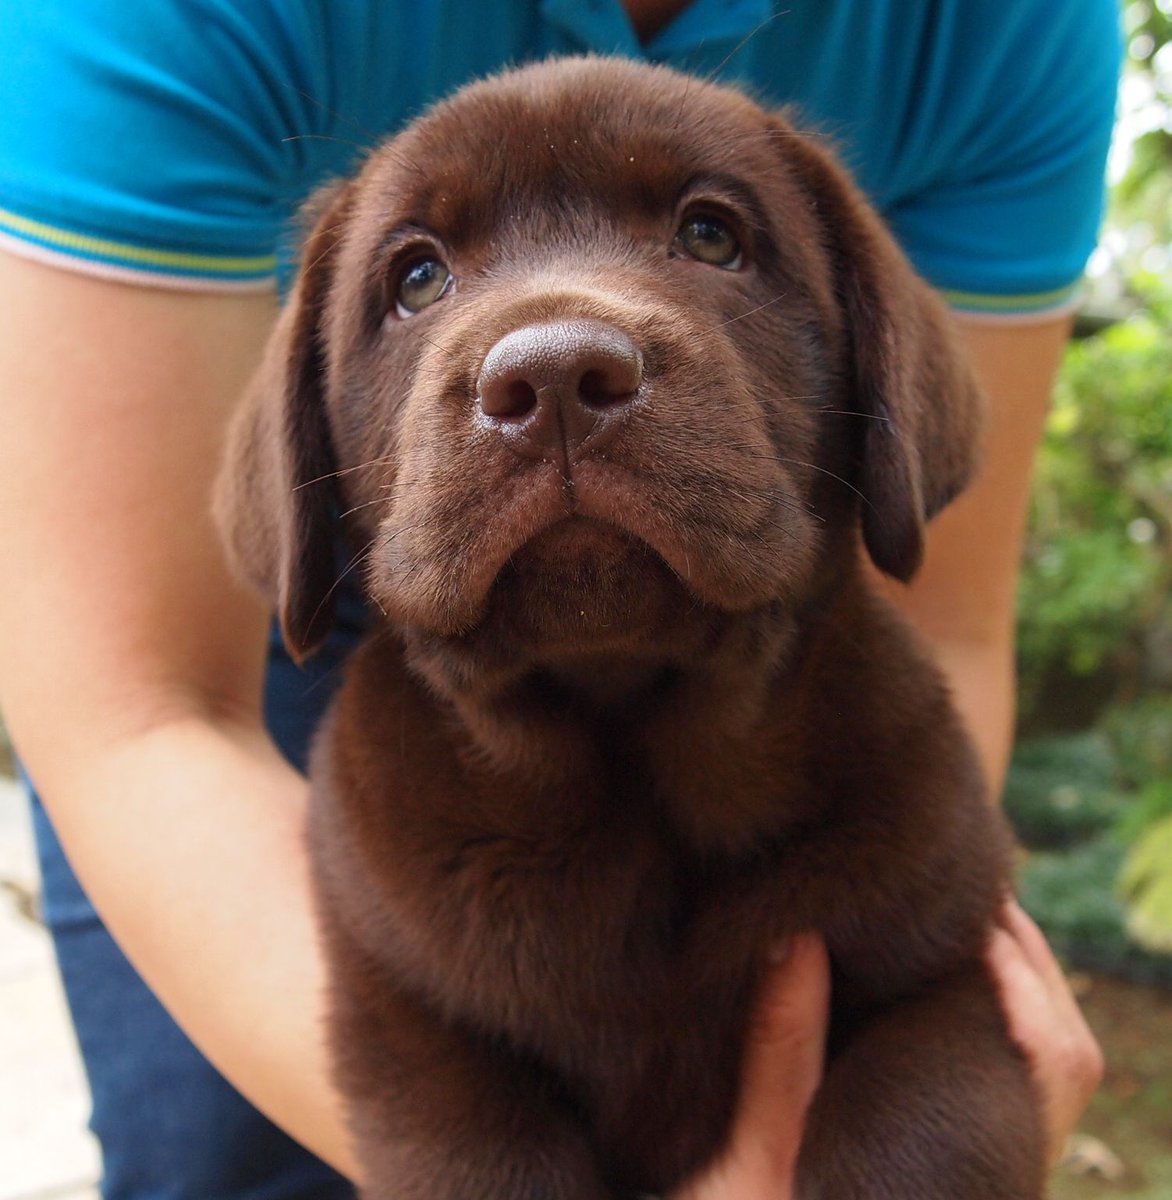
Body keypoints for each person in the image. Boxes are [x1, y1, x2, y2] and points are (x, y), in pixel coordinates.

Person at [0, 1, 1115, 1196]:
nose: (546, 351)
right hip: (268, 694)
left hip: (803, 682)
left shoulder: (1012, 22)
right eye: (415, 278)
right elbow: (138, 704)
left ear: (866, 369)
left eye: (711, 236)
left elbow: (945, 619)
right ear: (310, 441)